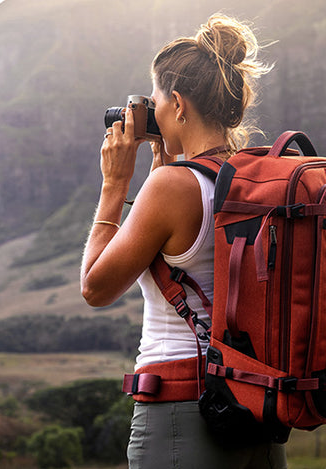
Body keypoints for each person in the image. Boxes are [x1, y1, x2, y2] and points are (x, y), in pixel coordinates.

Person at [79, 13, 282, 469]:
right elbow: (184, 250)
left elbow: (95, 288)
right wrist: (163, 165)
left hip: (182, 412)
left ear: (177, 103)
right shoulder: (255, 178)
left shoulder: (173, 187)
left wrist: (114, 185)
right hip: (254, 407)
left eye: (154, 98)